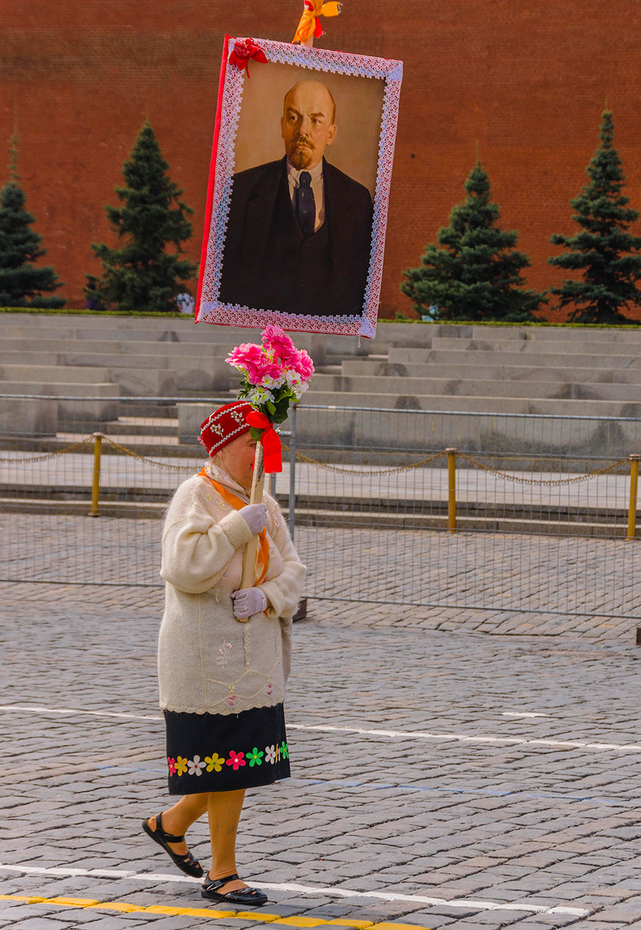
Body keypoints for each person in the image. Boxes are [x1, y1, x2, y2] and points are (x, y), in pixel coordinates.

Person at [142, 401, 305, 908]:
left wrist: (269, 596)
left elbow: (293, 570)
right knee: (224, 765)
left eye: (262, 444)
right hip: (204, 661)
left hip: (252, 660)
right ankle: (223, 871)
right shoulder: (195, 494)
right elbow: (183, 566)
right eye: (251, 444)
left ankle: (170, 826)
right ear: (224, 447)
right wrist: (237, 526)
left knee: (235, 764)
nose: (259, 453)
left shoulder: (265, 503)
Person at [218, 79, 374, 317]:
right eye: (294, 118)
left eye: (316, 120)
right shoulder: (239, 191)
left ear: (331, 133)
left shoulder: (358, 200)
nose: (303, 130)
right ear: (282, 126)